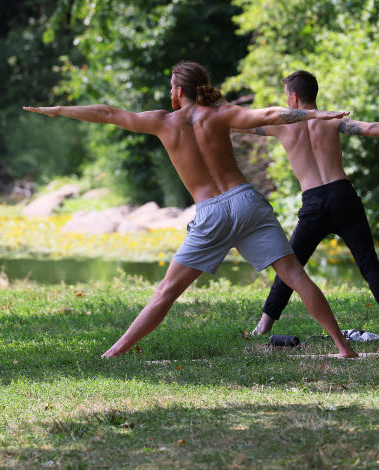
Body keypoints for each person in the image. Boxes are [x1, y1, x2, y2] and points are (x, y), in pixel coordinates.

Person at [24, 61, 358, 358]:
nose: (170, 91)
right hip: (247, 202)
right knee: (295, 275)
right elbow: (270, 114)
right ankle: (344, 348)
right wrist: (314, 113)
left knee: (167, 291)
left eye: (171, 86)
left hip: (210, 212)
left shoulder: (162, 122)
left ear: (178, 89)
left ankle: (114, 353)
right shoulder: (221, 114)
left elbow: (108, 113)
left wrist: (59, 109)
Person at [233, 70, 379, 336]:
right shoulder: (332, 120)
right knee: (369, 262)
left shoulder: (281, 126)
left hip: (314, 203)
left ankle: (264, 326)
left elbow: (236, 122)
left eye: (287, 97)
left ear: (294, 97)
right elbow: (370, 128)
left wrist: (198, 115)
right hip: (342, 196)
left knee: (291, 266)